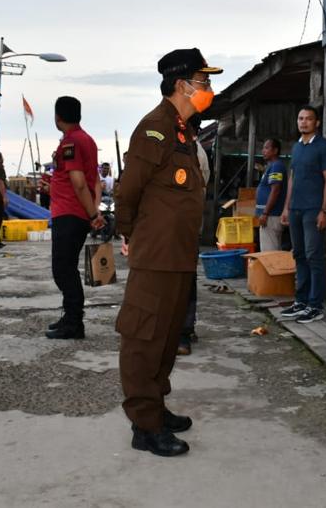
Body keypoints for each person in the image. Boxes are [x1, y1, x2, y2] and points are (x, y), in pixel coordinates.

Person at [115, 47, 221, 457]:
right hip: (156, 255)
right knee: (144, 338)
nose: (209, 89)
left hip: (178, 255)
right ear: (182, 85)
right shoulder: (155, 129)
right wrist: (129, 235)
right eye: (204, 82)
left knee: (167, 336)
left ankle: (156, 406)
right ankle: (144, 424)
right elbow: (128, 192)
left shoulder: (183, 132)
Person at [45, 96, 102, 340]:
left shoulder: (71, 142)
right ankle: (69, 316)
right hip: (75, 211)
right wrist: (95, 209)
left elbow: (79, 183)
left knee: (63, 269)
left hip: (69, 213)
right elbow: (94, 181)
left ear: (58, 117)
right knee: (67, 267)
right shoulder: (87, 140)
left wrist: (92, 214)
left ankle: (74, 322)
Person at [279, 106, 326, 324]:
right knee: (299, 255)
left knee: (314, 256)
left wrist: (325, 210)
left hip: (314, 209)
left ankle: (315, 305)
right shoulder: (296, 147)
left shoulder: (324, 147)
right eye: (300, 118)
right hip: (296, 209)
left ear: (317, 123)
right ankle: (301, 301)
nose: (303, 122)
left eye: (308, 119)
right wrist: (286, 207)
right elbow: (292, 178)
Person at [178, 115, 211, 356]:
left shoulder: (194, 153)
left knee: (184, 279)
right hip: (182, 224)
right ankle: (183, 329)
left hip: (185, 225)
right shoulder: (186, 148)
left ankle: (183, 332)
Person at [255, 138, 286, 252]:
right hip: (269, 215)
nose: (264, 151)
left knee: (269, 252)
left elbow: (275, 190)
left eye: (267, 148)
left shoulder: (276, 166)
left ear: (275, 150)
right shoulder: (271, 166)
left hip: (271, 216)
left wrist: (265, 213)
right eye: (263, 148)